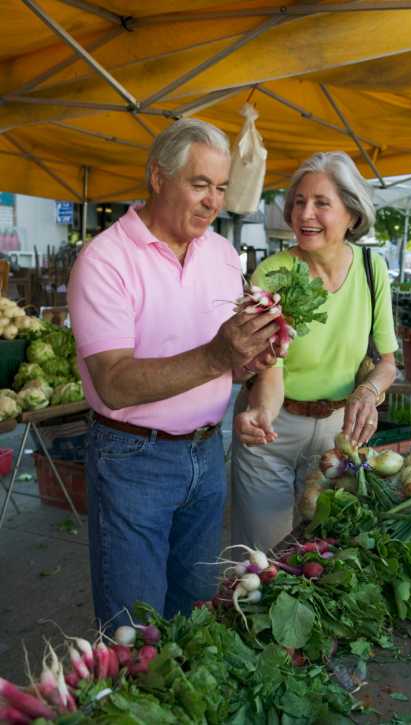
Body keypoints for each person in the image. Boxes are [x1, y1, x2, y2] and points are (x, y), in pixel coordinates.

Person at [68, 119, 282, 627]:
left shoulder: (223, 254)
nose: (214, 202)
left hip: (207, 452)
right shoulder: (105, 261)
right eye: (200, 184)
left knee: (194, 614)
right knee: (134, 626)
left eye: (222, 188)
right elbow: (114, 384)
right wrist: (216, 356)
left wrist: (249, 365)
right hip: (132, 457)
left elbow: (223, 364)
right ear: (158, 178)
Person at [231, 151, 398, 553]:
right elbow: (272, 369)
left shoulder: (373, 271)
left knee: (324, 550)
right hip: (274, 426)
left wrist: (367, 393)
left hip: (337, 432)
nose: (305, 214)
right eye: (299, 202)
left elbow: (388, 362)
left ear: (352, 215)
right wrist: (262, 417)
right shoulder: (273, 273)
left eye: (322, 203)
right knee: (263, 558)